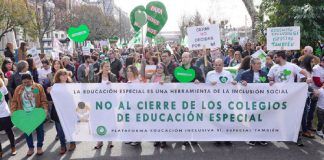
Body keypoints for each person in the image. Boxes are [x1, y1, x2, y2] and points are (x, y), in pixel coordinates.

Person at [267, 50, 312, 146]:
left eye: (275, 57)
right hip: (279, 97)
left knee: (294, 116)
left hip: (291, 96)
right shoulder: (273, 67)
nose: (274, 59)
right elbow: (270, 78)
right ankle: (281, 134)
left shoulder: (292, 66)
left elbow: (304, 72)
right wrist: (271, 81)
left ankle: (297, 137)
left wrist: (308, 77)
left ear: (280, 57)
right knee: (281, 116)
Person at [10, 73, 48, 156]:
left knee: (40, 131)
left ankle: (39, 147)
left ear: (32, 79)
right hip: (24, 114)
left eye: (28, 82)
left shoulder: (38, 87)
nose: (26, 84)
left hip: (37, 113)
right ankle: (30, 148)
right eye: (24, 82)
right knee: (27, 131)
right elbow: (14, 101)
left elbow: (43, 99)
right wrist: (13, 112)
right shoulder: (18, 89)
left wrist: (44, 109)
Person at [46, 69, 76, 154]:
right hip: (58, 111)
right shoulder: (54, 86)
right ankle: (63, 145)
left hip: (69, 110)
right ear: (58, 77)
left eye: (66, 74)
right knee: (60, 130)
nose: (64, 76)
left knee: (70, 128)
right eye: (62, 75)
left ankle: (72, 142)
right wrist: (49, 92)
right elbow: (50, 99)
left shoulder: (71, 85)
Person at [241, 57, 268, 146]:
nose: (259, 65)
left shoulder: (264, 74)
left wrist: (271, 83)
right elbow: (238, 83)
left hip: (261, 100)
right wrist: (242, 82)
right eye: (257, 63)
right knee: (252, 119)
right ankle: (252, 138)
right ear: (252, 65)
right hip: (250, 100)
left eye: (260, 63)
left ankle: (261, 138)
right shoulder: (245, 74)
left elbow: (268, 86)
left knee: (261, 118)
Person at [92, 62, 117, 149]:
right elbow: (91, 88)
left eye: (108, 66)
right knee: (99, 121)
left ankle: (110, 141)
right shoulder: (96, 76)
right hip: (99, 103)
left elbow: (117, 89)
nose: (107, 68)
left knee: (109, 121)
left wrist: (112, 85)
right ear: (101, 67)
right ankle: (100, 141)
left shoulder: (113, 76)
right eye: (105, 66)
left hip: (109, 103)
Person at [0, 71, 16, 158]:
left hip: (4, 113)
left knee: (9, 131)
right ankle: (0, 151)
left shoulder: (2, 86)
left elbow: (7, 98)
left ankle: (13, 147)